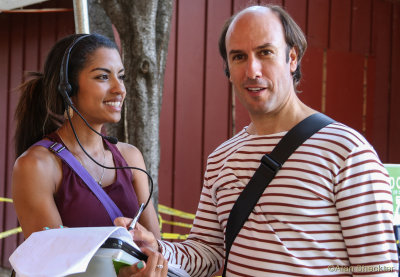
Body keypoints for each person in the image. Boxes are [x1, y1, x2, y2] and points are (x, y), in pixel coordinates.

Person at [122, 4, 399, 277]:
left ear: (292, 58)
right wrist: (155, 248)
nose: (252, 70)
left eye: (265, 52)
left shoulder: (346, 151)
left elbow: (376, 269)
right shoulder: (221, 157)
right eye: (239, 57)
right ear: (228, 69)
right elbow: (207, 251)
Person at [12, 33, 167, 276]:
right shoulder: (37, 166)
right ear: (68, 88)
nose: (119, 89)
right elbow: (51, 269)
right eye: (103, 77)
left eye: (121, 77)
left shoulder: (130, 158)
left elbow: (156, 247)